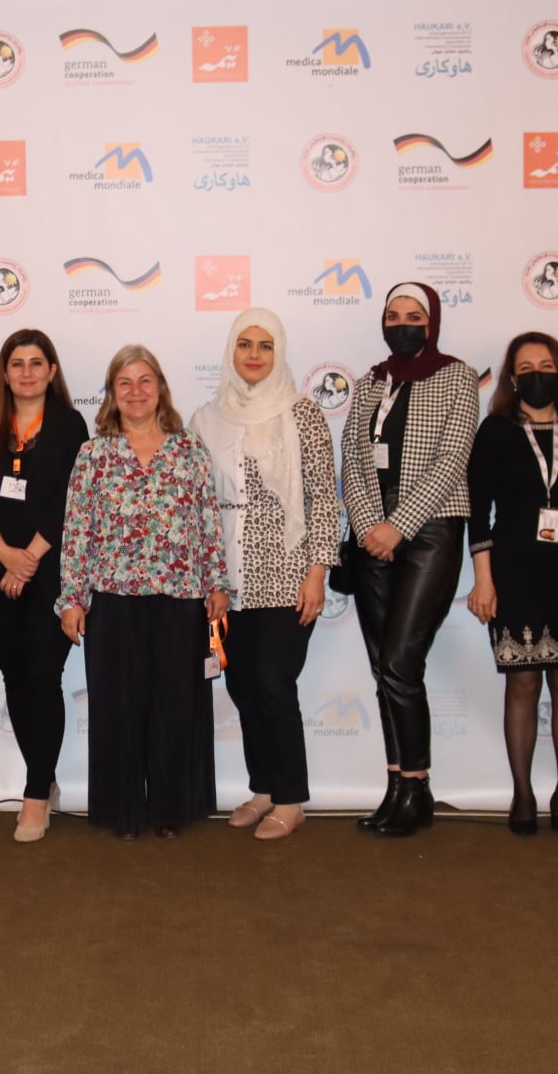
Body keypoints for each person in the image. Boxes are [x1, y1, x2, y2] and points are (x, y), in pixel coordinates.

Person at [56, 345, 229, 840]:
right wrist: (72, 598)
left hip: (180, 599)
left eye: (145, 380)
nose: (136, 391)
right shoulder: (93, 455)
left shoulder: (189, 449)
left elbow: (208, 521)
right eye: (124, 382)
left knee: (176, 707)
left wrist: (216, 583)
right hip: (112, 601)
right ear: (112, 393)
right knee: (118, 709)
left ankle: (172, 808)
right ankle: (123, 811)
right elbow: (77, 531)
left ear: (161, 388)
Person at [190, 309, 340, 841]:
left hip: (287, 574)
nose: (254, 355)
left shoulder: (302, 414)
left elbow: (324, 500)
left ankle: (291, 798)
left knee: (275, 683)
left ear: (279, 353)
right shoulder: (208, 418)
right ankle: (263, 789)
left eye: (265, 346)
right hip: (229, 580)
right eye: (245, 344)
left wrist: (317, 573)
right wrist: (208, 579)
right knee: (244, 685)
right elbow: (198, 505)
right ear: (231, 351)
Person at [340, 282, 478, 838]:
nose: (402, 324)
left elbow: (453, 457)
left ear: (432, 322)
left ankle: (417, 788)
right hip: (372, 532)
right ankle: (397, 785)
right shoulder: (370, 381)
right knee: (382, 666)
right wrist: (371, 526)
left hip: (431, 529)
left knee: (400, 661)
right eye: (393, 315)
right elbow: (352, 457)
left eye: (413, 315)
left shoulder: (457, 377)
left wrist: (399, 525)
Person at [465, 332, 558, 835]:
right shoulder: (496, 430)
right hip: (513, 569)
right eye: (526, 368)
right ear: (512, 377)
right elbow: (478, 511)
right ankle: (522, 792)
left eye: (546, 365)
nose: (537, 375)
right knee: (522, 682)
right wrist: (483, 580)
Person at [0, 330, 89, 842]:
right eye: (17, 364)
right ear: (4, 373)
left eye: (37, 363)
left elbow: (71, 497)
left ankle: (36, 792)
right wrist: (5, 556)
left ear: (52, 371)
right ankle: (45, 777)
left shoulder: (69, 425)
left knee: (42, 676)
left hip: (51, 574)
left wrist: (29, 558)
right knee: (16, 678)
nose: (27, 372)